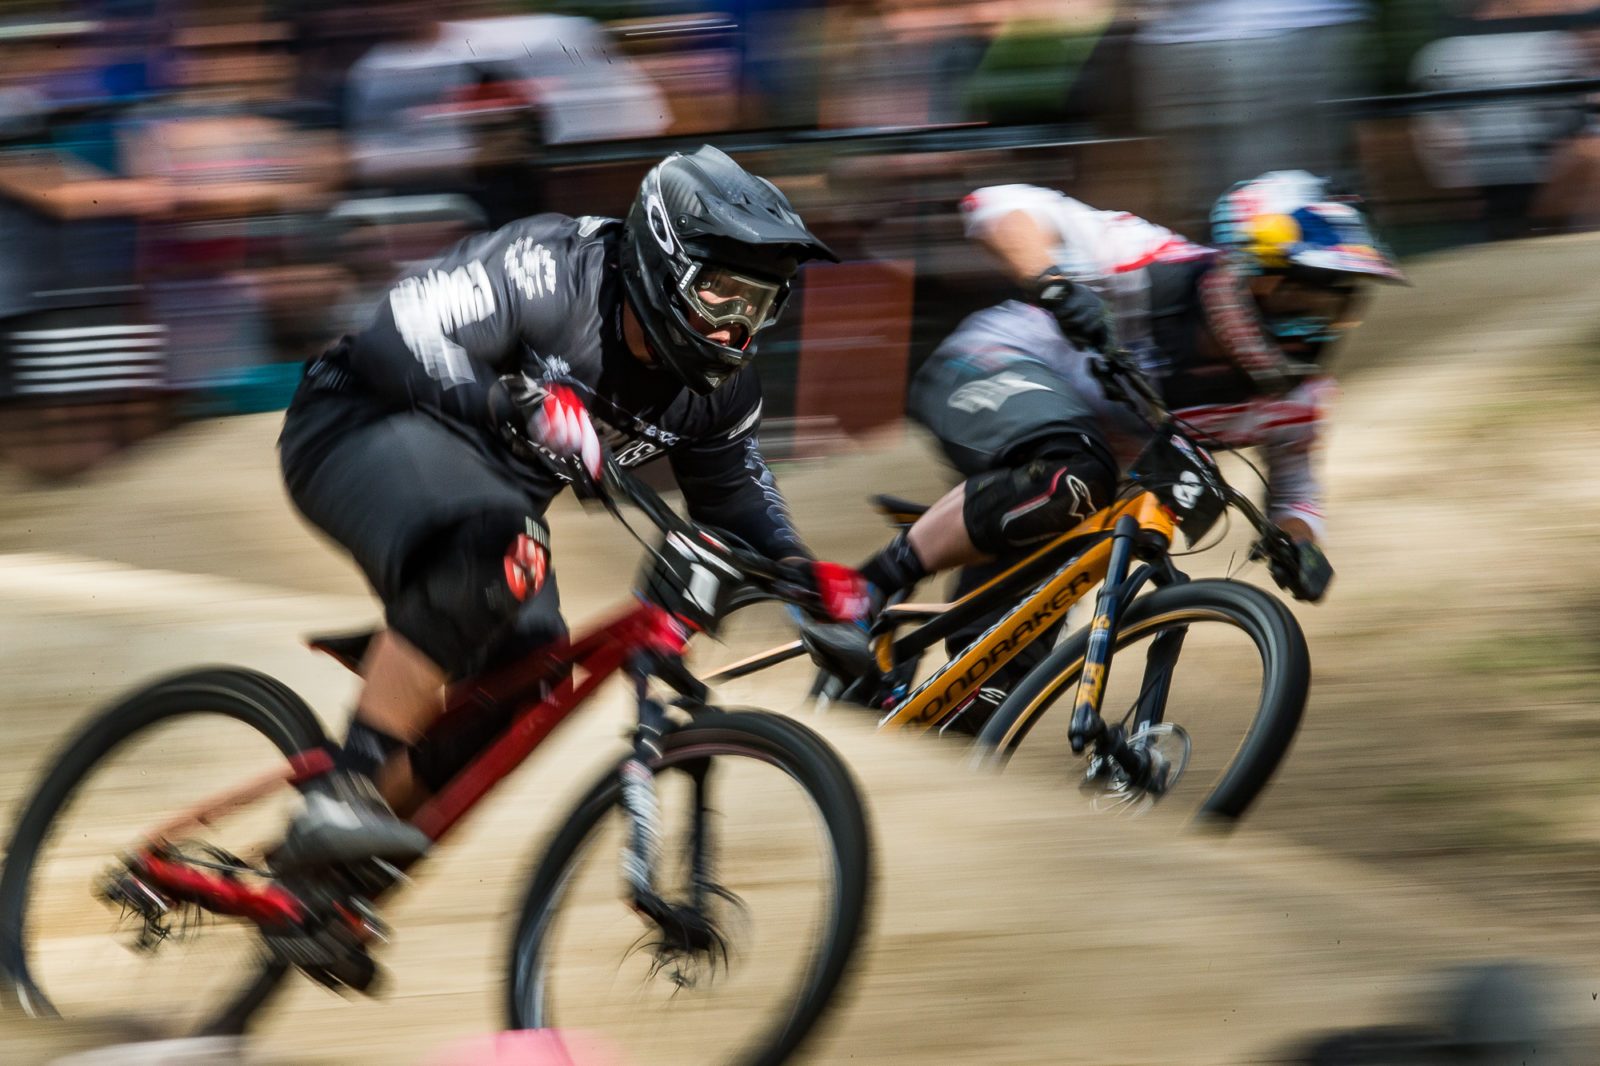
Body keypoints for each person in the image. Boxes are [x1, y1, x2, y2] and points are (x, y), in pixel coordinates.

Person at [276, 145, 871, 869]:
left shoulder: (720, 392)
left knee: (527, 692)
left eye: (757, 305)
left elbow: (737, 495)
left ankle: (323, 878)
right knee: (499, 547)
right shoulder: (550, 270)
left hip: (491, 509)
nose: (733, 329)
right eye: (721, 295)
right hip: (355, 427)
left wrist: (806, 578)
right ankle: (344, 790)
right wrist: (503, 400)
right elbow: (398, 329)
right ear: (661, 260)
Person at [852, 171, 1406, 732]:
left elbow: (1297, 490)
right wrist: (1052, 282)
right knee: (1077, 473)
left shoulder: (1296, 399)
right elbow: (997, 204)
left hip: (1066, 486)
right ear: (1248, 276)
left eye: (1336, 308)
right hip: (988, 366)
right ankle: (868, 588)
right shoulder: (1152, 263)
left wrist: (1299, 544)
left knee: (995, 690)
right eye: (1302, 297)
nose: (1315, 325)